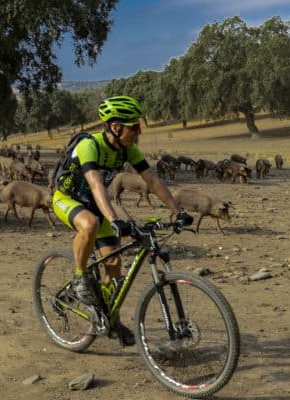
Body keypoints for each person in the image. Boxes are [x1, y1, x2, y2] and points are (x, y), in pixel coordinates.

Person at [51, 96, 193, 346]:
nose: (138, 131)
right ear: (116, 127)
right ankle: (79, 277)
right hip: (68, 199)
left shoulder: (128, 149)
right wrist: (115, 219)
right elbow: (95, 184)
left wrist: (176, 210)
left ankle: (108, 320)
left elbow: (152, 181)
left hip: (97, 204)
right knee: (89, 224)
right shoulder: (90, 146)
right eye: (134, 127)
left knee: (114, 265)